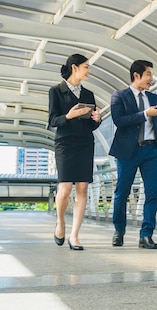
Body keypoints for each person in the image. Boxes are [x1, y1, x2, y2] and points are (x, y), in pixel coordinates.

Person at [109, 60, 157, 249]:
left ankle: (146, 235)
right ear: (136, 75)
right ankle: (119, 230)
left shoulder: (154, 98)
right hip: (128, 151)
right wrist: (145, 114)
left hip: (151, 150)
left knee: (152, 193)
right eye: (148, 74)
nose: (152, 78)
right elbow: (119, 121)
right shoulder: (119, 96)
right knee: (122, 192)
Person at [48, 54, 102, 251]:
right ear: (74, 68)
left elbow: (91, 125)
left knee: (82, 189)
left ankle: (75, 235)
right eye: (86, 67)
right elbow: (53, 120)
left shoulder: (88, 95)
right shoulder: (56, 91)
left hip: (85, 144)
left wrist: (97, 120)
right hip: (65, 144)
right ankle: (60, 223)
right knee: (65, 189)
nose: (89, 71)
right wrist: (69, 116)